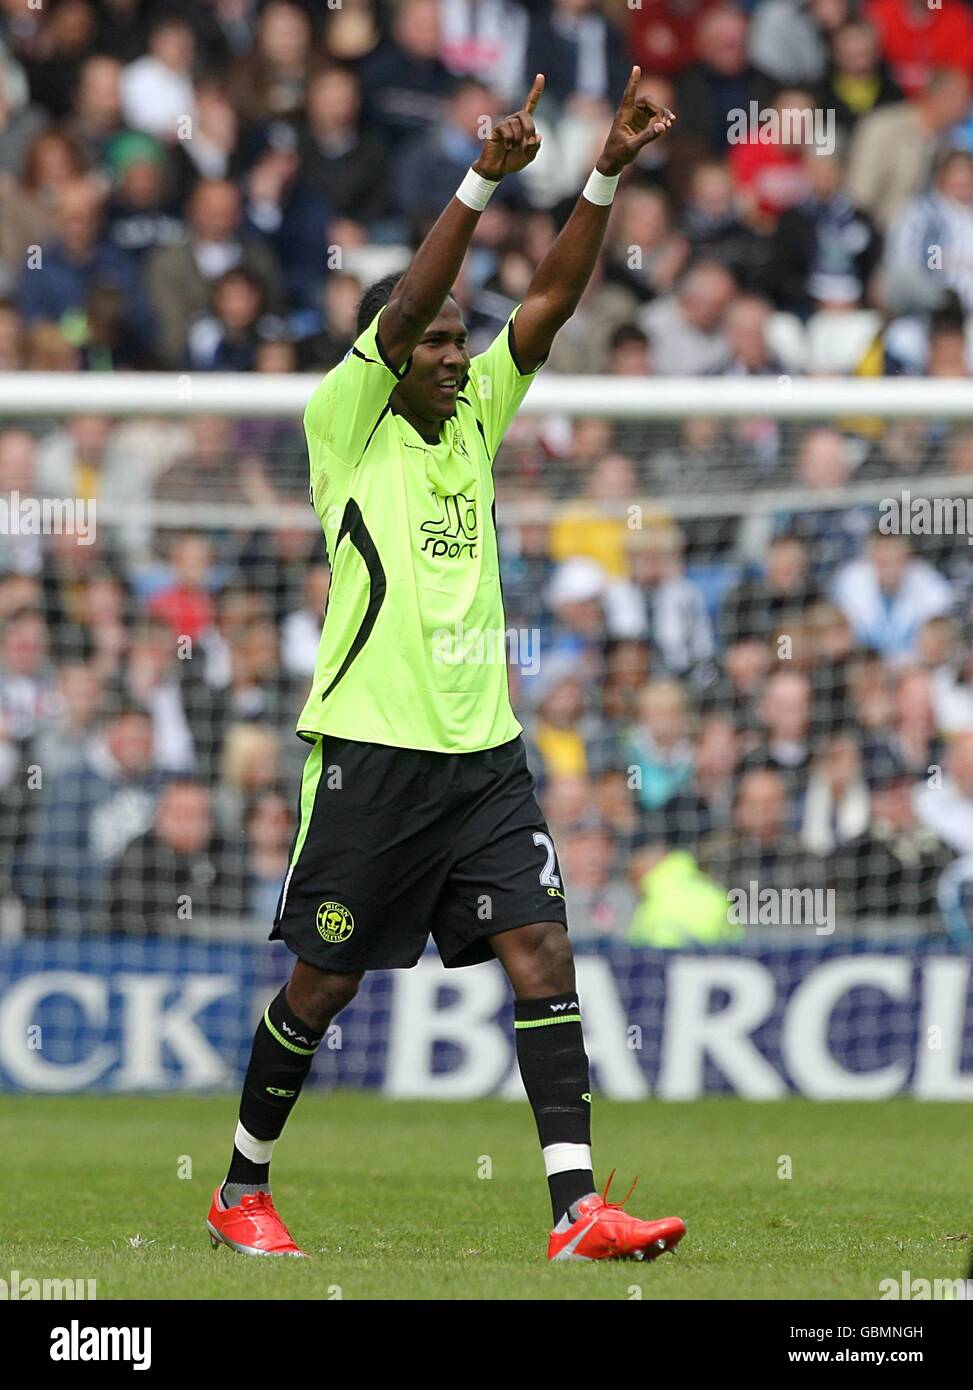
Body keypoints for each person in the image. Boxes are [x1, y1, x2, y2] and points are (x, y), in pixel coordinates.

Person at [207, 68, 687, 1265]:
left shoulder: (475, 415)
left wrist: (603, 170)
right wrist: (479, 182)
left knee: (542, 951)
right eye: (436, 339)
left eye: (462, 341)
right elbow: (417, 293)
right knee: (322, 985)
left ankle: (576, 1210)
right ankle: (238, 1188)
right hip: (372, 750)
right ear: (388, 349)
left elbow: (554, 301)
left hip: (483, 757)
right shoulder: (345, 420)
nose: (457, 353)